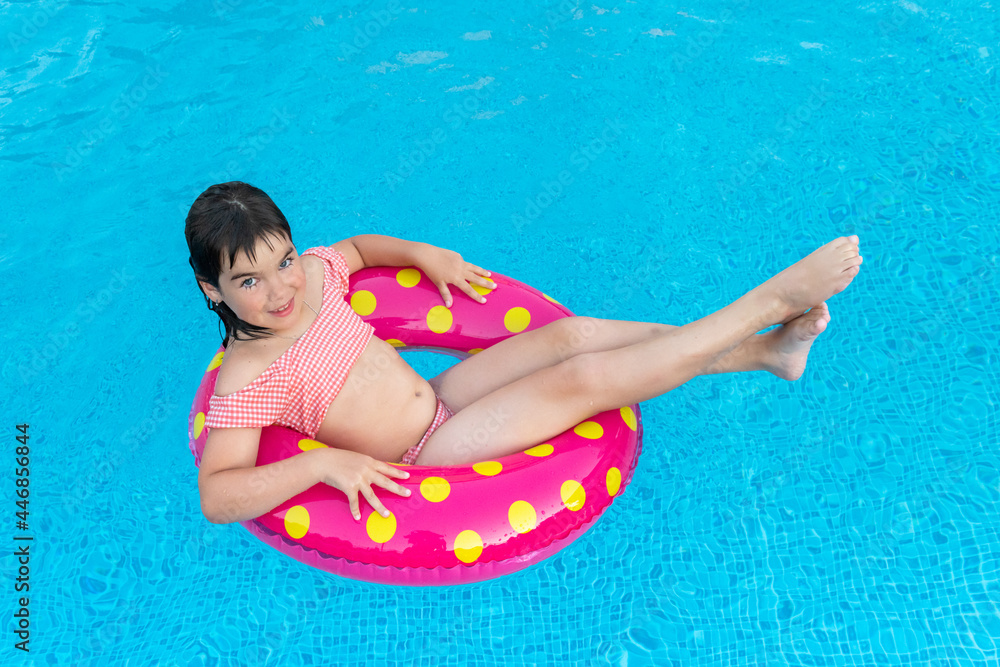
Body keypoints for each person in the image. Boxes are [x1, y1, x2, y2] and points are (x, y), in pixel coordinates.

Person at [187, 182, 862, 525]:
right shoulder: (249, 380)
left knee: (573, 335)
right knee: (584, 378)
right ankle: (764, 305)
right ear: (211, 288)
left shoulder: (312, 278)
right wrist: (328, 463)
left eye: (281, 261)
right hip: (427, 453)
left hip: (443, 395)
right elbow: (217, 494)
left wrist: (422, 253)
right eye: (249, 281)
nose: (280, 289)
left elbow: (357, 249)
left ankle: (768, 353)